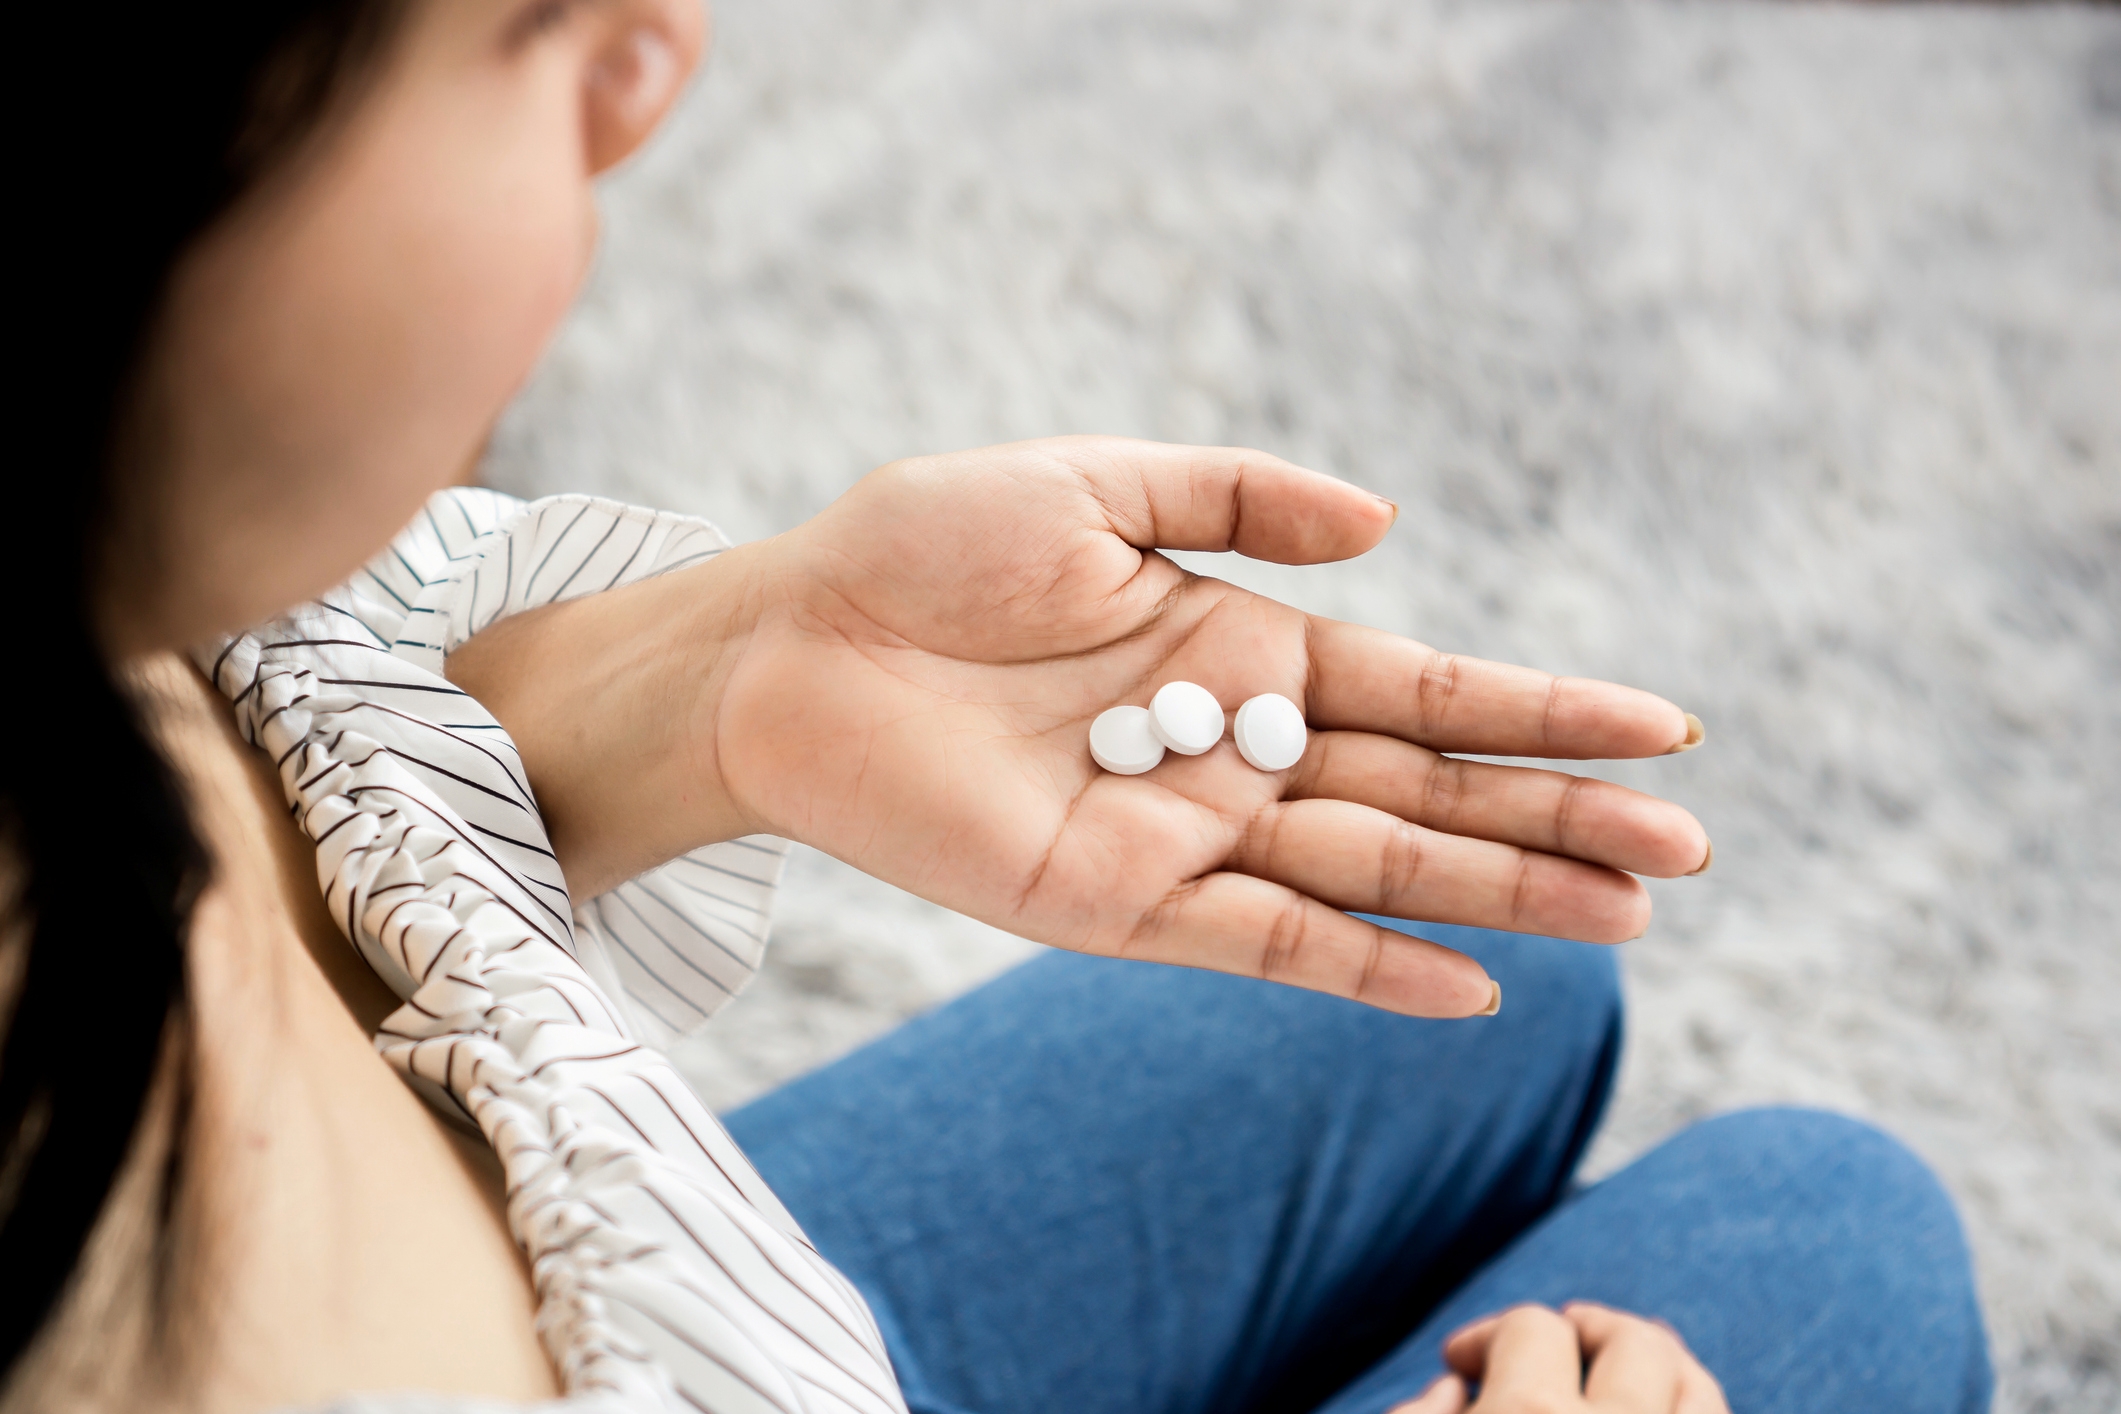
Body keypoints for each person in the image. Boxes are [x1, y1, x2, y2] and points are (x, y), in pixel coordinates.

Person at [0, 2, 1991, 1412]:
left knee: (1471, 942)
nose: (658, 54)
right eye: (521, 19)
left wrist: (726, 677)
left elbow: (269, 807)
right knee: (1838, 1231)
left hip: (681, 1310)